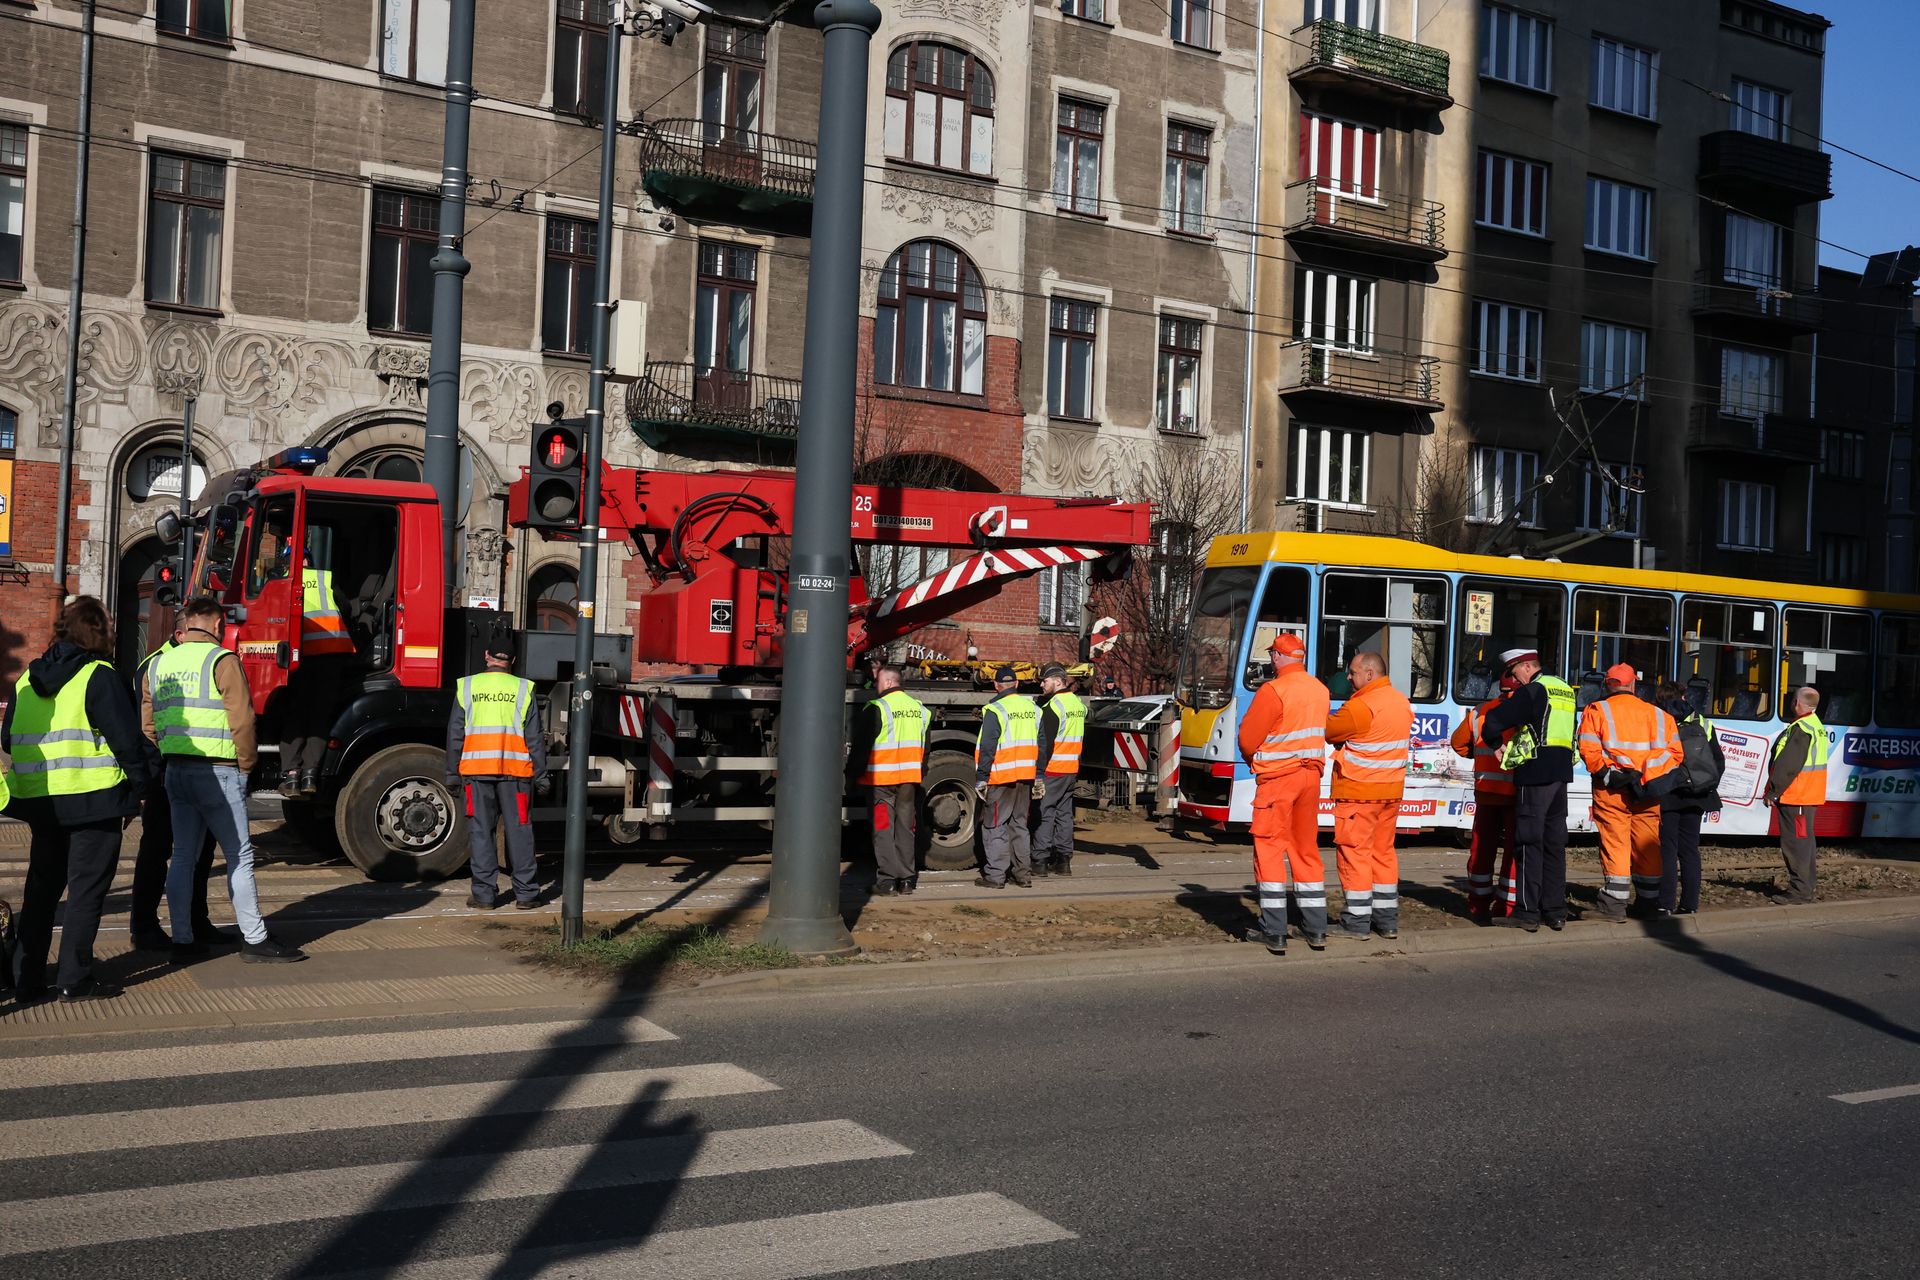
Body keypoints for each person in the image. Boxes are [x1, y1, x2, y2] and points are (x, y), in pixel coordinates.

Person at [3, 596, 160, 1002]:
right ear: (99, 632)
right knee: (86, 891)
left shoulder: (26, 680)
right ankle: (75, 978)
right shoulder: (99, 676)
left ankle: (26, 978)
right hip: (95, 801)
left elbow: (7, 739)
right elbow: (127, 743)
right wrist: (143, 790)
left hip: (44, 803)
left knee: (41, 891)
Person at [145, 595, 306, 963]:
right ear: (218, 625)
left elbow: (148, 723)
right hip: (217, 770)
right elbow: (243, 720)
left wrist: (168, 752)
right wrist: (247, 765)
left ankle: (182, 941)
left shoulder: (160, 662)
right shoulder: (222, 660)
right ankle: (255, 939)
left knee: (183, 856)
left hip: (176, 770)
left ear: (187, 624)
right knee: (239, 857)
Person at [127, 627, 225, 952]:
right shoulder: (156, 663)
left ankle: (197, 921)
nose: (216, 636)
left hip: (199, 768)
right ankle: (144, 925)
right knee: (158, 849)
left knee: (202, 850)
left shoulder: (205, 659)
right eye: (213, 629)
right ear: (181, 631)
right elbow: (144, 726)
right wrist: (153, 773)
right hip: (164, 772)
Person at [1236, 633, 1330, 954]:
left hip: (1279, 780)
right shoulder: (1320, 689)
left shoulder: (1273, 690)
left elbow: (1248, 739)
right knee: (1305, 849)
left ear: (1277, 656)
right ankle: (1316, 927)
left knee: (1269, 848)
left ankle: (1274, 930)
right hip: (1311, 778)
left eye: (1272, 656)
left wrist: (1254, 759)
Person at [1479, 648, 1577, 932]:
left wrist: (1495, 741)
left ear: (1524, 667)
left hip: (1534, 775)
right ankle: (1555, 911)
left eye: (1514, 673)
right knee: (1554, 845)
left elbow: (1495, 720)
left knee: (1528, 843)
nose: (1515, 680)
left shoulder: (1535, 690)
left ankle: (1526, 912)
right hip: (1561, 776)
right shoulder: (1565, 689)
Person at [446, 637, 547, 909]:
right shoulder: (523, 689)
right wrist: (541, 774)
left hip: (476, 772)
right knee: (520, 832)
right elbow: (534, 737)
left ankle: (484, 895)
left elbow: (456, 734)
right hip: (515, 774)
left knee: (480, 832)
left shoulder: (468, 686)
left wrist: (452, 773)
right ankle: (526, 895)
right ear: (512, 661)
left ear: (487, 656)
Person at [1577, 663, 1681, 923]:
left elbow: (1589, 750)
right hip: (1648, 792)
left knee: (1616, 843)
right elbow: (1675, 754)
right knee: (1647, 845)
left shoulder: (1596, 711)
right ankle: (1648, 904)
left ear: (1608, 684)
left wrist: (1614, 775)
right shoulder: (1659, 715)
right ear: (1633, 684)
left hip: (1613, 790)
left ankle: (1613, 906)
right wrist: (1645, 777)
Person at [1323, 650, 1414, 941]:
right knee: (1383, 854)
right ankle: (1386, 921)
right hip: (1390, 792)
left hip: (1359, 792)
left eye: (1352, 672)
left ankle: (1357, 921)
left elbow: (1329, 731)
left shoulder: (1362, 705)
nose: (1348, 677)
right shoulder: (1401, 702)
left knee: (1355, 855)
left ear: (1370, 674)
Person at [279, 544, 357, 797]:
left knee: (296, 714)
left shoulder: (282, 583)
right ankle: (310, 775)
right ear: (309, 561)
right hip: (331, 655)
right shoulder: (325, 579)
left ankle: (291, 775)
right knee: (319, 716)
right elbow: (346, 608)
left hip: (299, 657)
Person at [854, 663, 927, 896]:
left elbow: (861, 749)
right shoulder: (920, 709)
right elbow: (927, 748)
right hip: (908, 781)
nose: (876, 687)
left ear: (887, 682)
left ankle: (886, 881)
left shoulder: (877, 707)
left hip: (881, 784)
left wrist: (851, 776)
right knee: (906, 828)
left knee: (884, 829)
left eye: (877, 682)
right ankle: (906, 880)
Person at [1452, 674, 1519, 924]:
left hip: (1486, 792)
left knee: (1481, 849)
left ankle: (1477, 906)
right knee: (1513, 851)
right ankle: (1506, 906)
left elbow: (1458, 744)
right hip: (1515, 794)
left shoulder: (1479, 712)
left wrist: (1479, 757)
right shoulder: (1523, 712)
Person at [1656, 679, 1724, 918]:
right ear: (1682, 696)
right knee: (1689, 849)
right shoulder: (1702, 722)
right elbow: (1718, 761)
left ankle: (1664, 904)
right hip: (1697, 794)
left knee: (1667, 849)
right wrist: (1704, 785)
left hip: (1668, 795)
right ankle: (1690, 903)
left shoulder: (1660, 721)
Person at [973, 666, 1039, 888]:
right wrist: (1039, 776)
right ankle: (1023, 876)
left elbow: (988, 747)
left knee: (994, 825)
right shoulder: (1033, 708)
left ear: (996, 685)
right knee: (1020, 824)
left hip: (1001, 777)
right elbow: (1043, 745)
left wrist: (982, 777)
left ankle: (995, 876)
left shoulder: (996, 709)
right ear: (1017, 684)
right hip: (1026, 776)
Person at [1765, 685, 1829, 904]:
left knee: (1796, 843)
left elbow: (1788, 765)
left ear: (1797, 703)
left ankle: (1799, 891)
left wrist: (1773, 791)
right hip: (1806, 796)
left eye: (1793, 700)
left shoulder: (1802, 728)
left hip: (1797, 796)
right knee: (1805, 841)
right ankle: (1807, 887)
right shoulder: (1815, 725)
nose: (1792, 703)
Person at [1033, 662, 1086, 878]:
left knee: (1045, 814)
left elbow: (1045, 745)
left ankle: (1039, 861)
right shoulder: (1078, 704)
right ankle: (1064, 862)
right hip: (1071, 768)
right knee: (1064, 815)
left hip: (1053, 769)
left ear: (1057, 681)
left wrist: (1038, 773)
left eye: (1044, 681)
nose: (1041, 685)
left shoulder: (1052, 707)